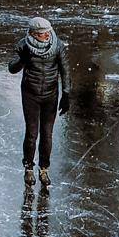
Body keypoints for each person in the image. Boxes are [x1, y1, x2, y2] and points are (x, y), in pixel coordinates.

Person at [8, 17, 71, 188]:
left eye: (48, 32)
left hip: (50, 95)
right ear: (34, 34)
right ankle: (28, 168)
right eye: (43, 34)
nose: (47, 36)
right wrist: (22, 59)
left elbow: (65, 70)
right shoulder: (24, 45)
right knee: (32, 133)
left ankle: (44, 169)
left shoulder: (57, 45)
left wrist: (66, 93)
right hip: (30, 94)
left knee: (47, 134)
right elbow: (12, 68)